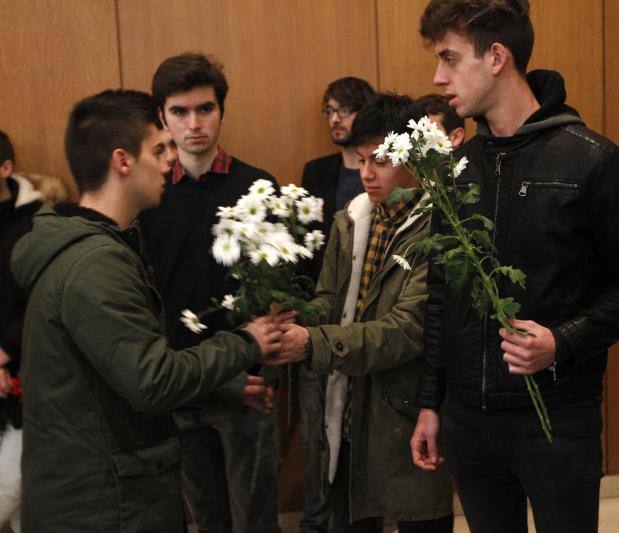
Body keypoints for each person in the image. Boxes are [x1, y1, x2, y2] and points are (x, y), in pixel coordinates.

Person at [410, 1, 619, 532]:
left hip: (557, 419)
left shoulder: (593, 160)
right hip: (467, 422)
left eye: (450, 59)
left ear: (497, 56)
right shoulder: (455, 171)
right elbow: (441, 296)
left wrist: (563, 341)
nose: (438, 77)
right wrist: (431, 404)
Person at [11, 89, 281, 533]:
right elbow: (151, 381)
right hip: (101, 507)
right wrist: (247, 341)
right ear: (122, 161)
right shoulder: (93, 263)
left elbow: (115, 375)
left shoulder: (98, 247)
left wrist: (223, 387)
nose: (170, 161)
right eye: (159, 149)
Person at [272, 93, 454, 532]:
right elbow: (332, 300)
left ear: (415, 157)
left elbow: (405, 331)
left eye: (380, 160)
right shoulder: (351, 219)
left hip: (406, 412)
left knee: (420, 516)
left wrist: (312, 342)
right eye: (360, 159)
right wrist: (294, 317)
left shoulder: (441, 227)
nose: (366, 174)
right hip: (347, 407)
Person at [139, 52, 283, 533]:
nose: (194, 123)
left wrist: (252, 372)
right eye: (180, 112)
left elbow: (274, 295)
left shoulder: (257, 187)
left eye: (206, 109)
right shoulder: (148, 194)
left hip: (245, 381)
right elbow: (142, 297)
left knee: (255, 519)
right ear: (162, 116)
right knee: (204, 518)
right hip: (176, 380)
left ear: (222, 110)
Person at [297, 75, 375, 533]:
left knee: (357, 436)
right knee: (315, 437)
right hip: (322, 317)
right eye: (328, 111)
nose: (335, 119)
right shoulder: (317, 171)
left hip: (367, 321)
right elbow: (308, 249)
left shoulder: (385, 171)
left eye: (343, 109)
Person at [0, 130, 42, 533]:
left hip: (24, 374)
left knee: (15, 486)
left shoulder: (34, 222)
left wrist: (5, 350)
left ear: (6, 168)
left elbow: (38, 296)